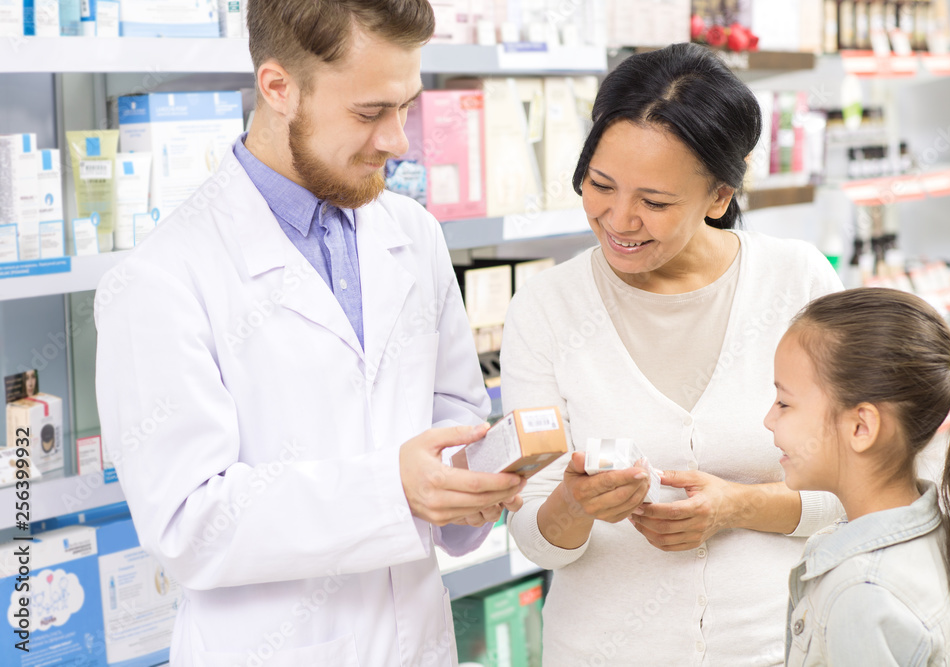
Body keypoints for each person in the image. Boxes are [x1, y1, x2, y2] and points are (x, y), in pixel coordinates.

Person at [93, 2, 523, 665]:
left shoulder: (413, 234)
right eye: (370, 112)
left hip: (419, 643)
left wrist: (477, 482)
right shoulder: (161, 278)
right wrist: (393, 490)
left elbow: (453, 417)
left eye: (406, 106)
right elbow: (187, 523)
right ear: (277, 88)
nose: (398, 141)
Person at [501, 43, 844, 665]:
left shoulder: (796, 282)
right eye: (599, 185)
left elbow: (862, 491)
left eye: (655, 202)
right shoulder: (546, 307)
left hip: (778, 646)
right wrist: (573, 505)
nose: (619, 219)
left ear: (718, 196)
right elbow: (533, 539)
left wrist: (740, 506)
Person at [767, 288, 950, 666]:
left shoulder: (862, 594)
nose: (769, 419)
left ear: (861, 426)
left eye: (784, 403)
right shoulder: (946, 536)